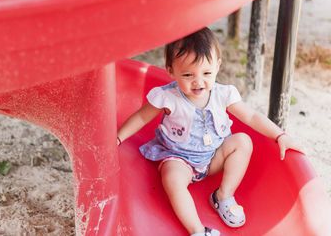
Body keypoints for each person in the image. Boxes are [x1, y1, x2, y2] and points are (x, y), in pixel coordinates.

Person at [116, 27, 303, 236]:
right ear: (170, 70)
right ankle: (198, 230)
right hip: (180, 159)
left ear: (217, 66)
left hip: (213, 158)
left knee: (243, 141)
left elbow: (251, 116)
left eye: (206, 73)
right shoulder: (168, 97)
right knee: (172, 178)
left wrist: (280, 135)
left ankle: (223, 195)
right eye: (187, 75)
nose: (198, 82)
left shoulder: (224, 94)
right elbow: (142, 116)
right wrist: (118, 137)